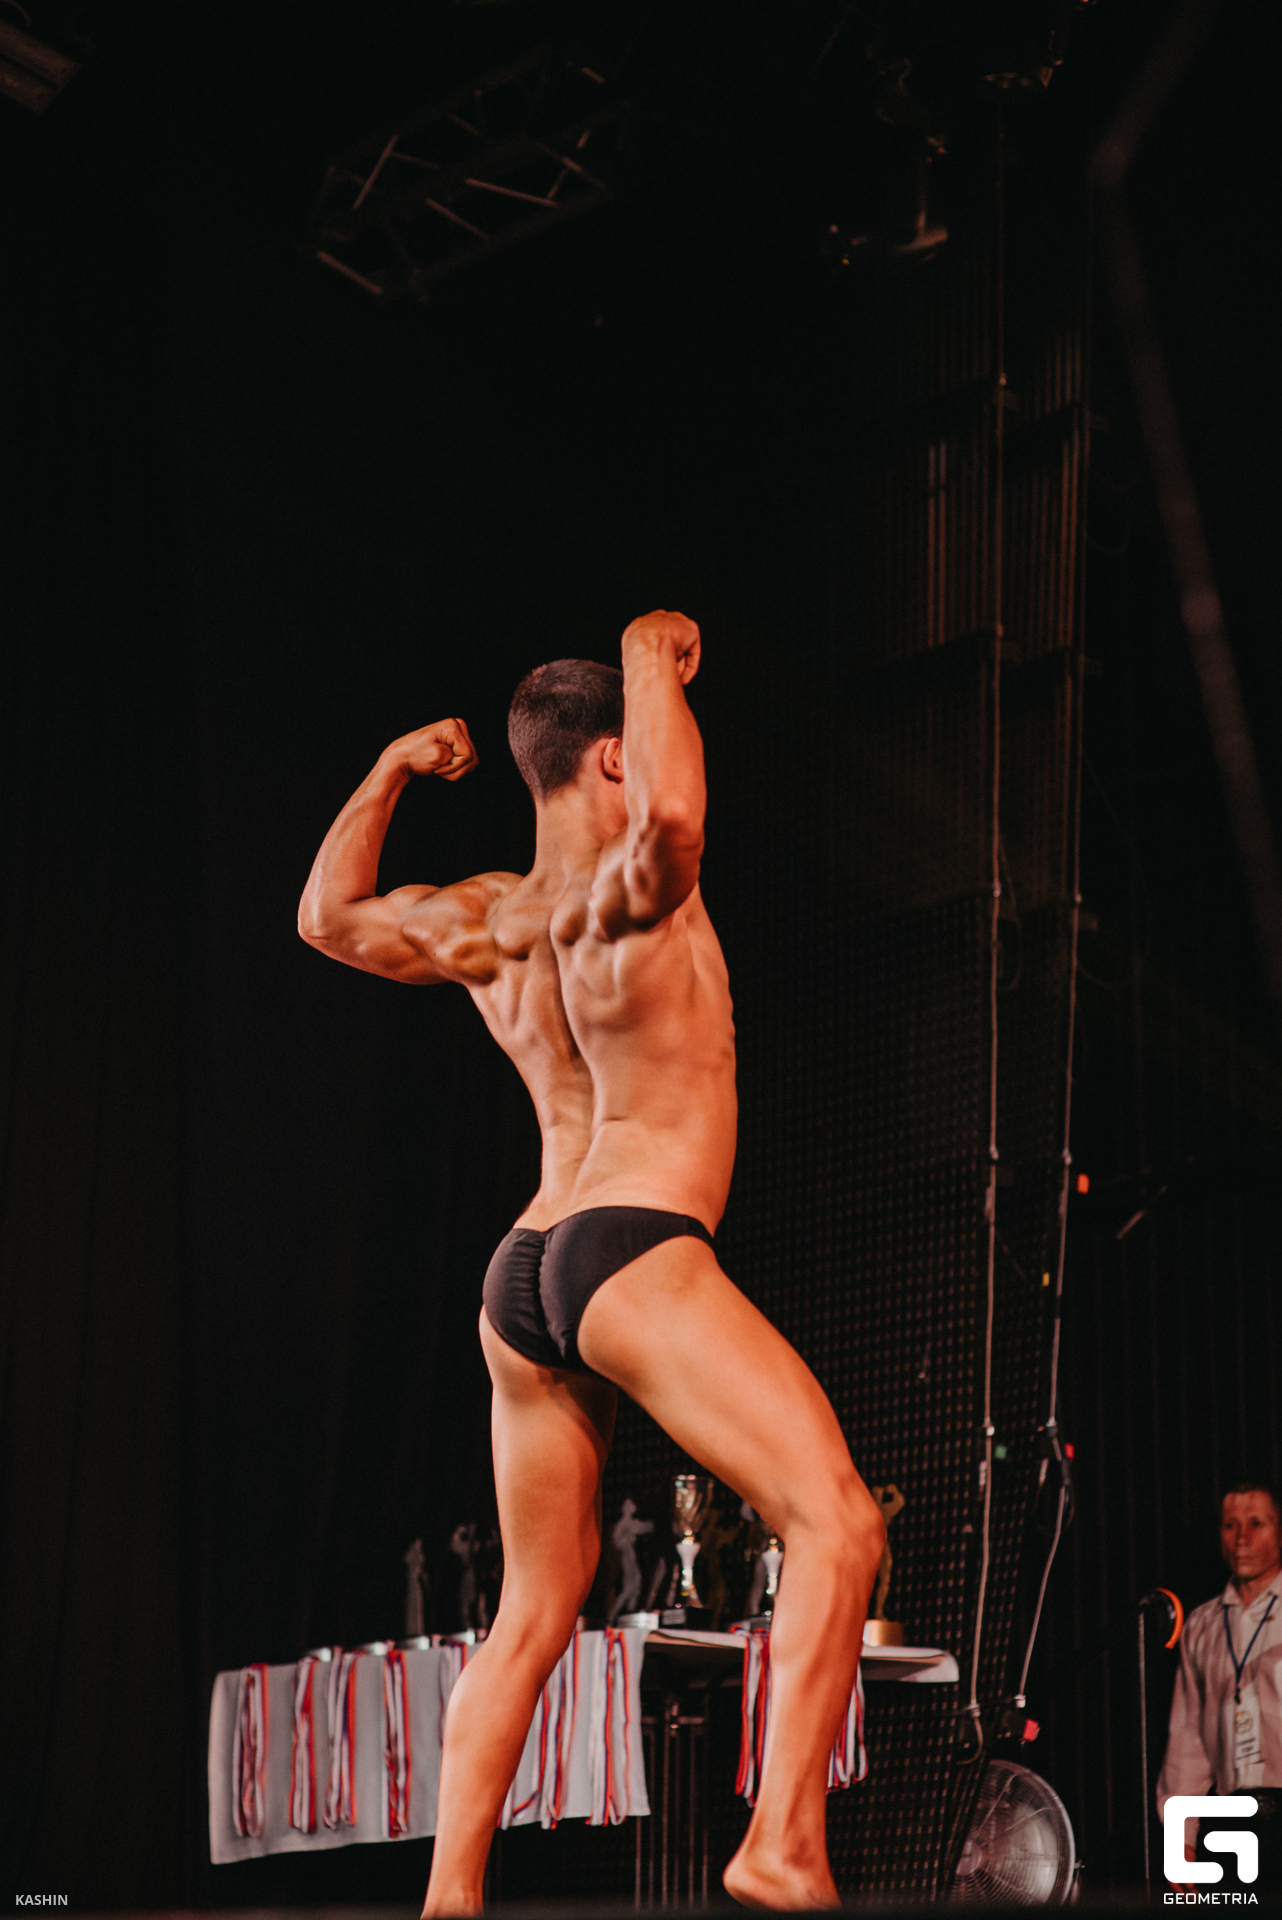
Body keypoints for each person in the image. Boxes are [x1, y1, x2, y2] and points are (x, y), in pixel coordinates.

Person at [298, 610, 886, 1911]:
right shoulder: (631, 891)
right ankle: (783, 1847)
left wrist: (390, 770)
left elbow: (328, 919)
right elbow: (672, 819)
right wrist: (647, 649)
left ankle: (450, 1897)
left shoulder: (495, 919)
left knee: (533, 1609)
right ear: (614, 754)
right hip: (632, 1241)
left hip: (523, 1270)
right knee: (837, 1523)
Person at [1157, 1480, 1282, 1890]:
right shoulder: (1202, 1625)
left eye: (1256, 1523)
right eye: (1230, 1525)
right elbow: (1187, 1742)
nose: (1241, 1538)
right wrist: (1181, 1840)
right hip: (1235, 1819)